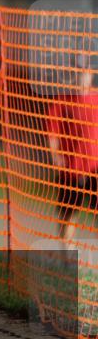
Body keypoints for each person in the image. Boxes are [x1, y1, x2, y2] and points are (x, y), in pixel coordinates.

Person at [47, 54, 98, 244]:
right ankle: (67, 256)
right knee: (68, 214)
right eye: (77, 71)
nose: (80, 75)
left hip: (95, 169)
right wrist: (56, 157)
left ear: (90, 74)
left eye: (83, 71)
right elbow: (52, 132)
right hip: (72, 170)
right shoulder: (63, 100)